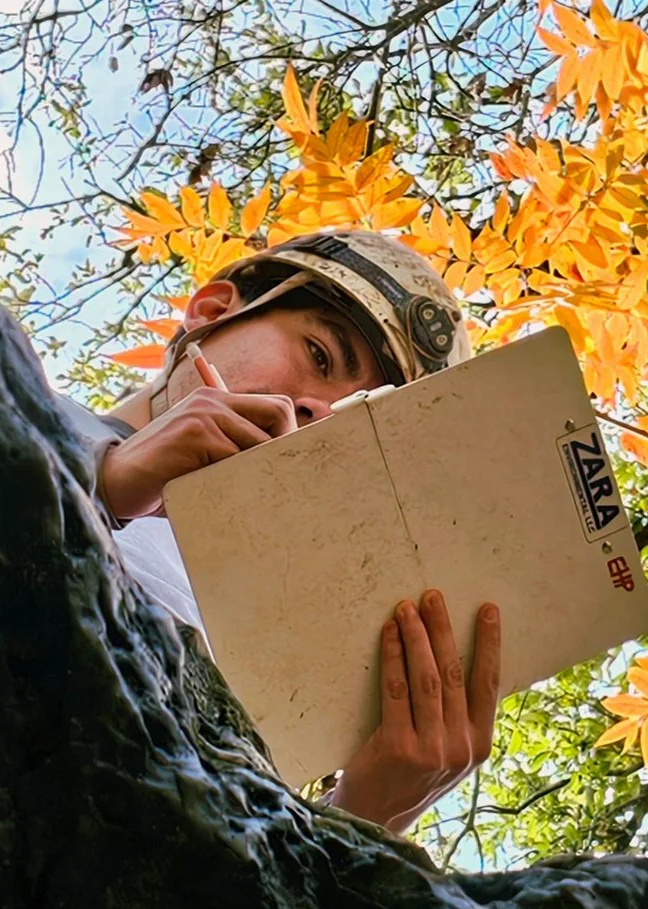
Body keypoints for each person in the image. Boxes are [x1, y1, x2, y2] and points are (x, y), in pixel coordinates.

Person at [60, 230, 504, 831]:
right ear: (213, 314)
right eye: (321, 356)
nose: (320, 417)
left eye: (359, 428)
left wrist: (361, 820)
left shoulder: (278, 684)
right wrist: (101, 484)